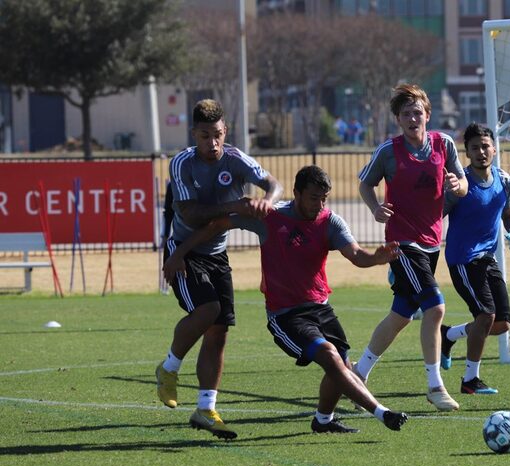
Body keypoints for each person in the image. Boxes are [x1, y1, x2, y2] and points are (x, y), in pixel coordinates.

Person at [163, 166, 408, 434]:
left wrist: (376, 258)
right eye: (314, 198)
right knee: (330, 356)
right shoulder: (271, 217)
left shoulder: (330, 221)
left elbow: (357, 255)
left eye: (325, 198)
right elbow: (219, 224)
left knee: (340, 365)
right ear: (296, 194)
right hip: (286, 316)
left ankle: (323, 420)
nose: (320, 204)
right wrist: (180, 253)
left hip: (321, 308)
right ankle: (382, 413)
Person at [156, 99, 283, 440]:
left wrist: (266, 202)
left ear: (225, 131)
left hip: (217, 253)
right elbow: (191, 214)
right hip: (184, 252)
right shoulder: (182, 163)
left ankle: (205, 409)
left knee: (219, 332)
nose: (211, 143)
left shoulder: (236, 158)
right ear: (193, 134)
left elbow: (274, 184)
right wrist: (236, 206)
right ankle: (169, 368)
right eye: (204, 136)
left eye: (217, 135)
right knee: (208, 309)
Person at [353, 83, 468, 411]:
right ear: (398, 120)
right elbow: (364, 183)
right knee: (435, 307)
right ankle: (434, 385)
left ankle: (357, 374)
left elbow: (463, 184)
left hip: (432, 242)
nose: (412, 118)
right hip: (402, 243)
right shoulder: (389, 151)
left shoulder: (444, 144)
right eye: (406, 114)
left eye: (418, 112)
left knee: (401, 315)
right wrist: (376, 208)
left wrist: (458, 185)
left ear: (428, 115)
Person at [439, 123, 510, 394]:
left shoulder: (504, 180)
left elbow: (508, 212)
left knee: (502, 324)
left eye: (485, 146)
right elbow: (434, 217)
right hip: (462, 259)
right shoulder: (459, 185)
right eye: (474, 147)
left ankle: (449, 334)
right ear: (467, 152)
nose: (481, 152)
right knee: (486, 315)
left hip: (487, 258)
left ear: (494, 149)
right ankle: (469, 380)